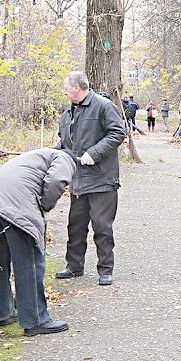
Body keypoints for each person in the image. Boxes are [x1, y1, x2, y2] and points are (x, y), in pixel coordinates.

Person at [0, 148, 76, 336]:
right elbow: (56, 181)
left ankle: (4, 313)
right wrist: (45, 206)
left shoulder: (31, 157)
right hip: (15, 206)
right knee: (29, 262)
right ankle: (35, 320)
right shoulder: (64, 158)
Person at [55, 71, 127, 286]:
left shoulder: (103, 106)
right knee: (75, 226)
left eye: (66, 87)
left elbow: (117, 133)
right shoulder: (68, 113)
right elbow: (65, 144)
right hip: (78, 180)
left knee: (102, 227)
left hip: (102, 180)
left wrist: (93, 154)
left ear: (77, 87)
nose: (65, 91)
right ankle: (74, 266)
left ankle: (106, 269)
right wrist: (51, 154)